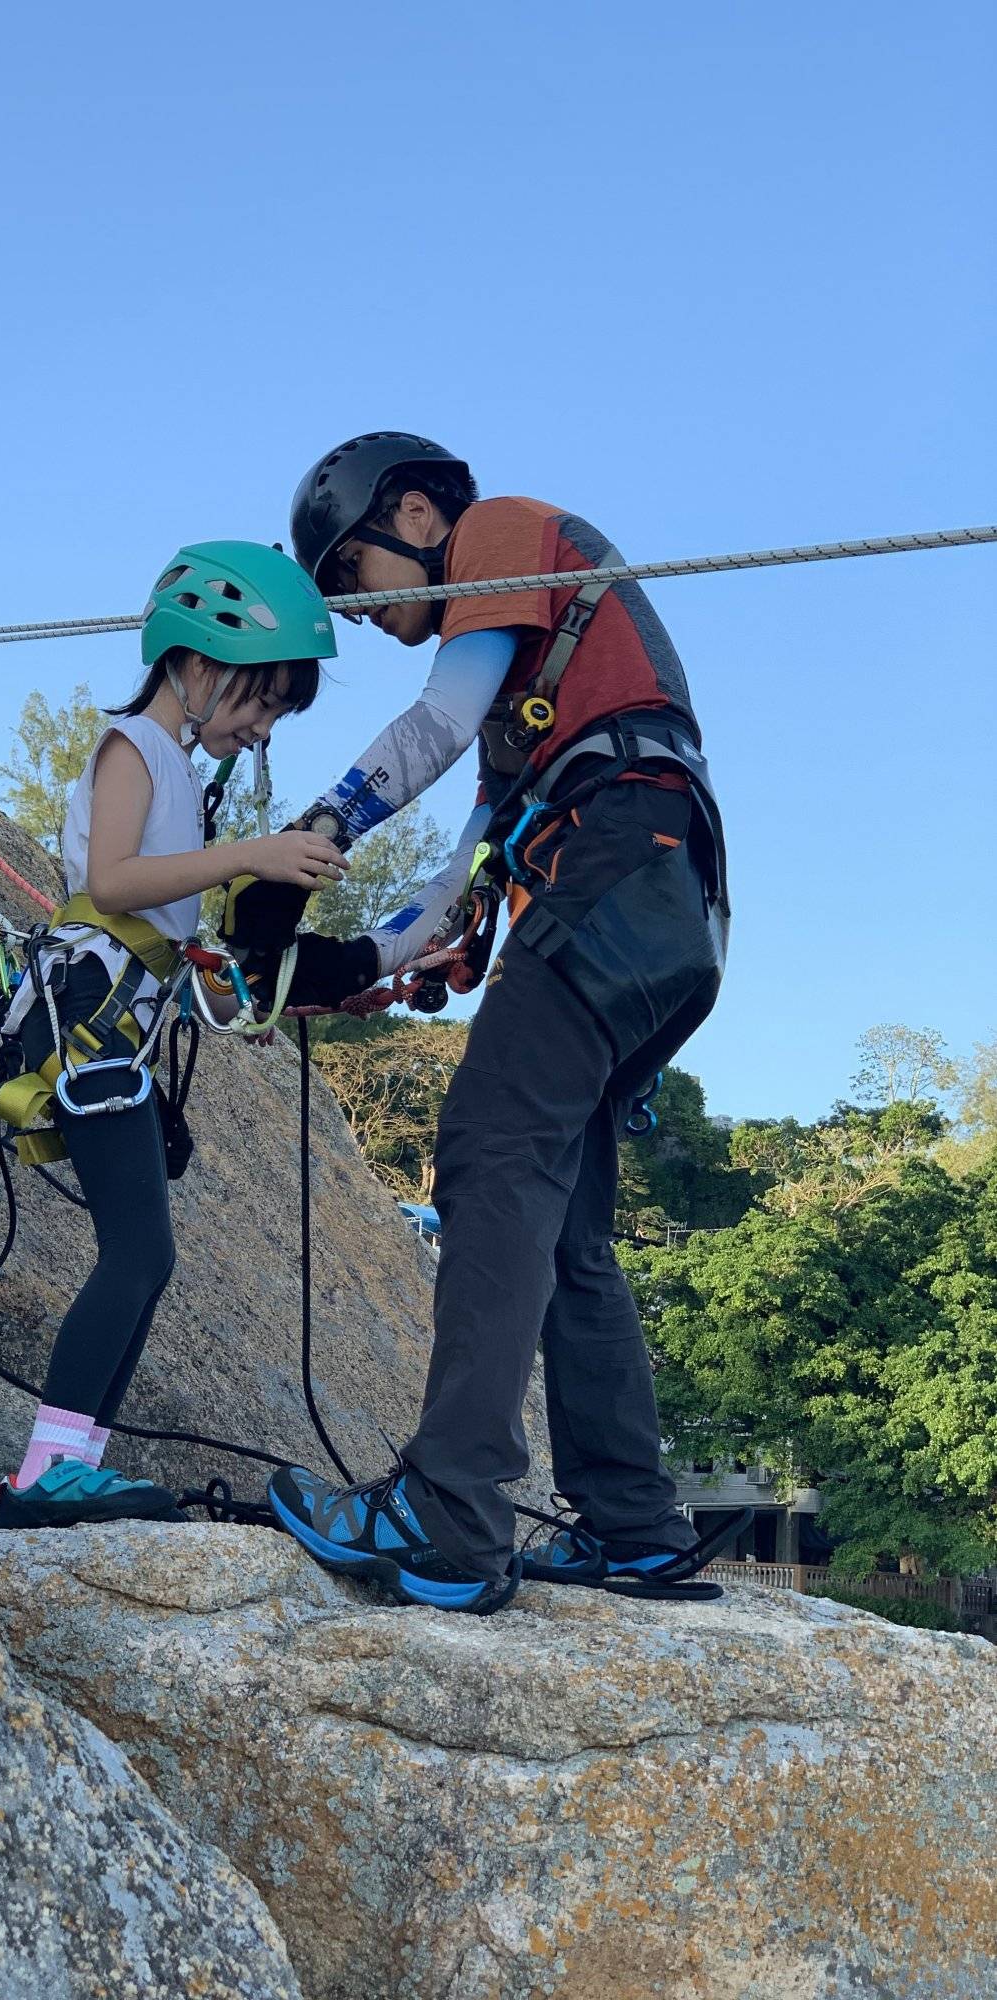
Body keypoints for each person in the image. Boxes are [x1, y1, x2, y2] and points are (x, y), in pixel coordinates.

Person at [228, 434, 747, 1611]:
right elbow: (455, 887)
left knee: (488, 1156)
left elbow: (439, 715)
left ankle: (450, 1514)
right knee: (564, 1225)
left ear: (414, 512)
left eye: (352, 580)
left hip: (616, 868)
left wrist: (311, 836)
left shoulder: (497, 529)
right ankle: (632, 1525)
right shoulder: (535, 704)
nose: (358, 616)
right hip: (664, 906)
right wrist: (335, 965)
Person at [0, 540, 344, 1530]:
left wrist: (227, 993)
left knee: (149, 1255)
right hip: (87, 1023)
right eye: (261, 700)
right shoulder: (132, 747)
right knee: (138, 1251)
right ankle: (44, 1472)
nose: (263, 726)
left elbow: (151, 922)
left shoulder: (178, 770)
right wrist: (254, 855)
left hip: (119, 1022)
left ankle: (72, 1464)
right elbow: (109, 882)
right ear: (199, 660)